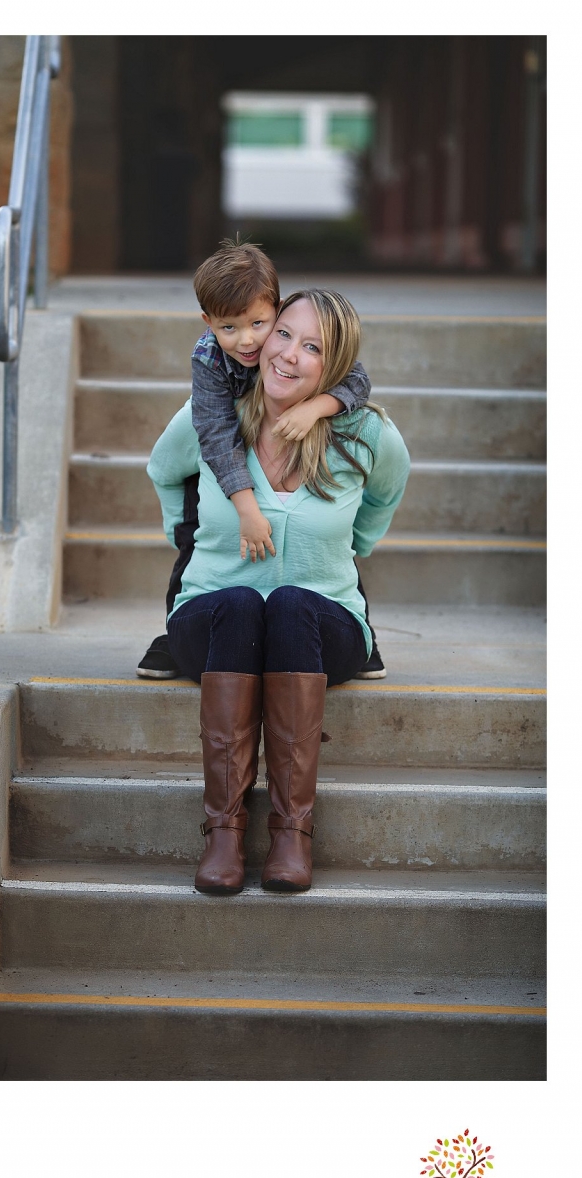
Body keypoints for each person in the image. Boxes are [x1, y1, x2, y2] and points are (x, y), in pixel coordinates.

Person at [147, 289, 410, 895]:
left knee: (290, 604)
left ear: (335, 365)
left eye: (312, 346)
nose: (288, 355)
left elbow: (385, 494)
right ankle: (224, 831)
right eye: (283, 335)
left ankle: (292, 832)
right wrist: (186, 538)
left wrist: (352, 548)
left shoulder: (366, 432)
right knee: (242, 605)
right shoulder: (211, 418)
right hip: (212, 619)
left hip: (323, 624)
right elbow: (163, 471)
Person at [137, 240, 388, 682]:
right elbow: (212, 438)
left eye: (260, 324)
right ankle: (174, 638)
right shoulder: (211, 362)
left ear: (276, 308)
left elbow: (358, 382)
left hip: (313, 583)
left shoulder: (313, 369)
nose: (249, 341)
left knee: (327, 546)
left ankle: (357, 631)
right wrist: (187, 528)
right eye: (230, 327)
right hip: (223, 467)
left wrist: (318, 407)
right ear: (209, 324)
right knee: (198, 553)